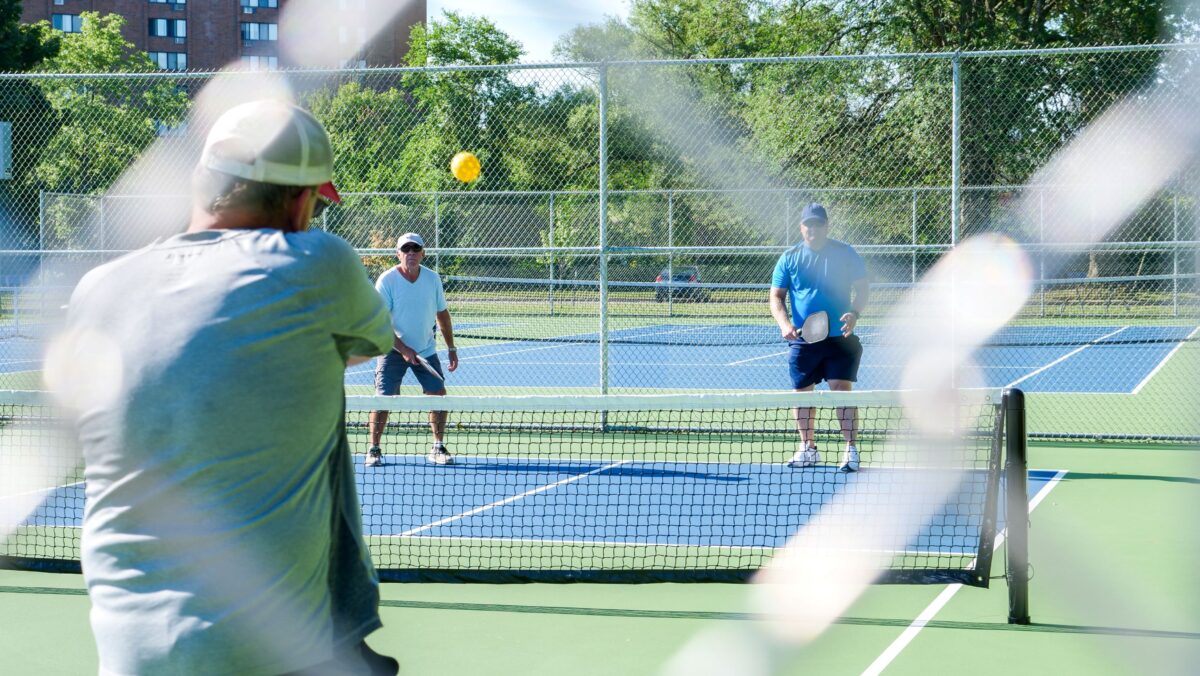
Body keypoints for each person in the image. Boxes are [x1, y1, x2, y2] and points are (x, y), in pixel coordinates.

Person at [56, 101, 400, 674]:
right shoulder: (318, 263)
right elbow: (370, 345)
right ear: (300, 202)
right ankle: (351, 639)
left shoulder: (97, 289)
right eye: (314, 202)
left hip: (128, 657)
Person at [769, 202, 870, 472]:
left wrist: (854, 313)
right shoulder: (789, 258)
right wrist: (784, 324)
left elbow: (862, 289)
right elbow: (776, 297)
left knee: (840, 391)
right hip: (804, 340)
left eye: (818, 224)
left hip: (840, 337)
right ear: (801, 227)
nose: (813, 229)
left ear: (826, 226)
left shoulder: (846, 254)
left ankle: (850, 450)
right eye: (808, 224)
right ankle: (807, 448)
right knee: (802, 394)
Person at [367, 232, 459, 467]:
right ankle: (374, 449)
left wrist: (451, 347)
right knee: (384, 398)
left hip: (426, 349)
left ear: (422, 253)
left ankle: (437, 447)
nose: (410, 253)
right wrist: (403, 348)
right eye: (405, 249)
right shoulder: (387, 280)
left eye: (415, 249)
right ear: (398, 254)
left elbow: (442, 314)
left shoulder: (432, 279)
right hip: (391, 349)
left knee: (438, 395)